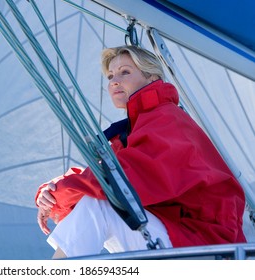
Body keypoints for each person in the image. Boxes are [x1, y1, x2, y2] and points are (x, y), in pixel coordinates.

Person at [35, 45, 247, 259]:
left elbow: (121, 179)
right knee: (101, 205)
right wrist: (54, 191)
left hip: (209, 248)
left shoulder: (167, 120)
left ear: (152, 77)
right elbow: (106, 174)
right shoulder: (138, 127)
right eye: (110, 76)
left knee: (100, 207)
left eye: (125, 72)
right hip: (181, 237)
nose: (114, 81)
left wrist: (58, 193)